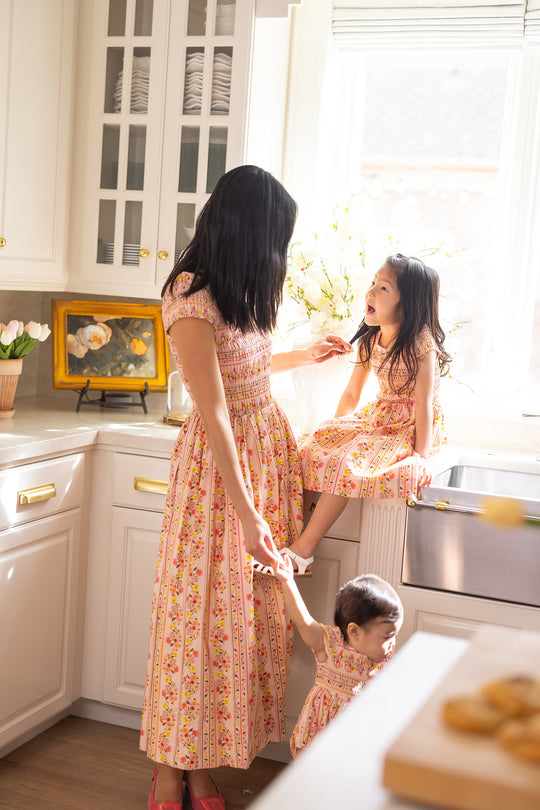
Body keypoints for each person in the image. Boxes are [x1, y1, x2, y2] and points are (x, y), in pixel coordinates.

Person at [140, 164, 352, 810]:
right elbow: (215, 411)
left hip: (265, 452)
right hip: (219, 471)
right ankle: (171, 770)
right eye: (273, 239)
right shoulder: (189, 296)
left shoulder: (244, 285)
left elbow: (248, 364)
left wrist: (302, 353)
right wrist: (247, 514)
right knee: (195, 622)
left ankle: (203, 767)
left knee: (243, 625)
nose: (277, 254)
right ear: (246, 231)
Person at [281, 253, 452, 576]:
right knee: (309, 446)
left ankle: (304, 550)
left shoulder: (421, 344)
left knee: (347, 463)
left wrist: (421, 456)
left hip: (408, 425)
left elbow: (424, 404)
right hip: (379, 415)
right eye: (373, 283)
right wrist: (333, 429)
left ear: (408, 302)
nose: (370, 292)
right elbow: (351, 394)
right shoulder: (371, 340)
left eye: (383, 288)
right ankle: (289, 537)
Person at [273, 554, 403, 757]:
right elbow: (302, 621)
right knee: (308, 780)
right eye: (387, 636)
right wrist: (287, 580)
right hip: (317, 735)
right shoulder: (331, 646)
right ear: (354, 631)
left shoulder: (387, 660)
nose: (393, 643)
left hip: (356, 743)